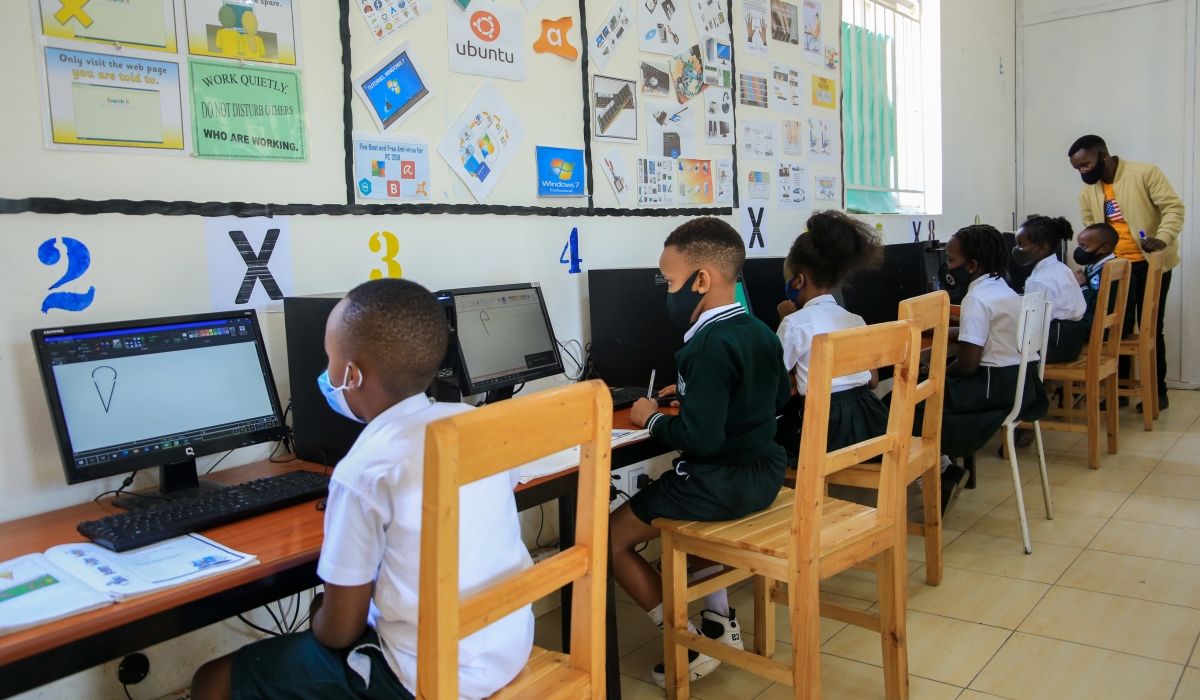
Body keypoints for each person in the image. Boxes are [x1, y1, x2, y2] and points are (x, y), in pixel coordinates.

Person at [191, 279, 534, 700]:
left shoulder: (365, 470)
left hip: (428, 677)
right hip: (505, 648)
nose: (326, 370)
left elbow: (339, 633)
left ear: (350, 374)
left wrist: (325, 615)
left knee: (213, 679)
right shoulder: (470, 422)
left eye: (330, 357)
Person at [615, 217, 792, 687]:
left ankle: (688, 643)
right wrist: (697, 397)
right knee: (687, 508)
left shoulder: (705, 347)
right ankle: (719, 625)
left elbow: (700, 441)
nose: (667, 293)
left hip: (718, 484)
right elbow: (777, 401)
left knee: (611, 538)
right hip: (764, 476)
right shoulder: (761, 331)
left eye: (670, 282)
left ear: (701, 280)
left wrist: (649, 417)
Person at [1069, 135, 1185, 410]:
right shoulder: (1087, 192)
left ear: (1103, 155)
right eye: (1078, 168)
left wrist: (1163, 238)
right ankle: (1118, 393)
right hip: (1116, 268)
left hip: (1151, 264)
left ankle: (1158, 393)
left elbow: (1174, 208)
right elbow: (1093, 230)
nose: (1083, 171)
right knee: (1115, 328)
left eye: (1086, 164)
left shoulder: (1144, 173)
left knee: (1150, 328)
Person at [773, 210, 888, 462]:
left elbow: (774, 383)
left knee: (768, 439)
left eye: (786, 279)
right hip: (872, 424)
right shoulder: (855, 320)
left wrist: (783, 318)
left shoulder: (794, 323)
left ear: (799, 281)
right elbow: (872, 381)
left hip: (826, 431)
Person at [929, 225, 1049, 465]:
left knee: (915, 401)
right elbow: (987, 332)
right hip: (1024, 384)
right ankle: (945, 470)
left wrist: (936, 376)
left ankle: (943, 474)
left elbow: (967, 366)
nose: (947, 267)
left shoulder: (975, 298)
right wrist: (942, 332)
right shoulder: (1001, 288)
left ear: (971, 266)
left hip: (995, 387)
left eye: (951, 261)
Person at [1012, 215, 1087, 364]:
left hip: (1054, 346)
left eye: (1021, 245)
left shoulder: (1039, 280)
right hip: (1074, 342)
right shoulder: (1062, 268)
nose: (1016, 249)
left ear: (1042, 247)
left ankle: (1025, 386)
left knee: (999, 349)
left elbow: (1032, 325)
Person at [1073, 223, 1120, 337]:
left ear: (1104, 248)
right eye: (1079, 245)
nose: (1080, 250)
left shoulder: (1110, 271)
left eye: (1084, 246)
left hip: (1106, 326)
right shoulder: (1092, 266)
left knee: (1060, 332)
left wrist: (1082, 285)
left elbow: (1099, 306)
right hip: (1093, 320)